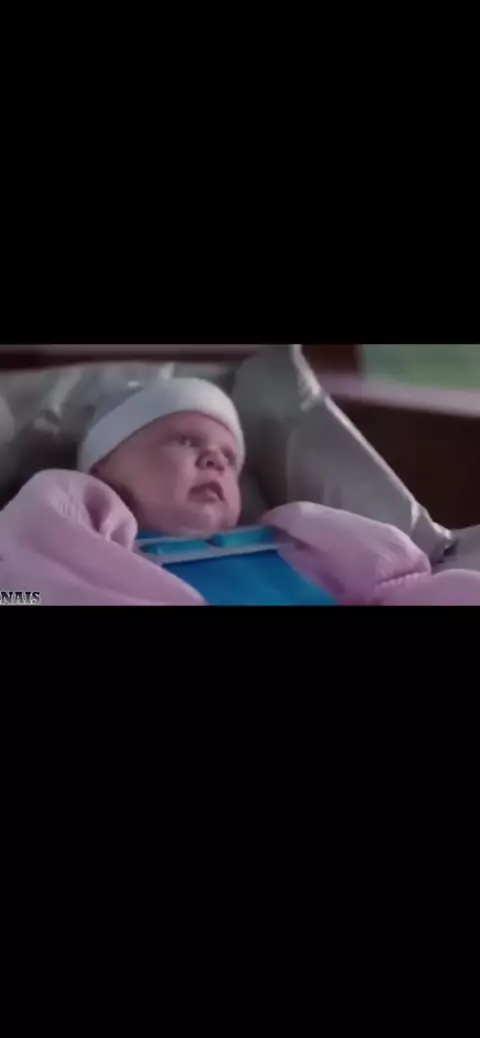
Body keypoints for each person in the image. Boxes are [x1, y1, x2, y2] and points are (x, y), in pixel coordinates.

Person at [0, 377, 479, 605]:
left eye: (229, 459)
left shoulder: (304, 542)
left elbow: (403, 590)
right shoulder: (66, 552)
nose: (214, 459)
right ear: (102, 467)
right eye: (184, 440)